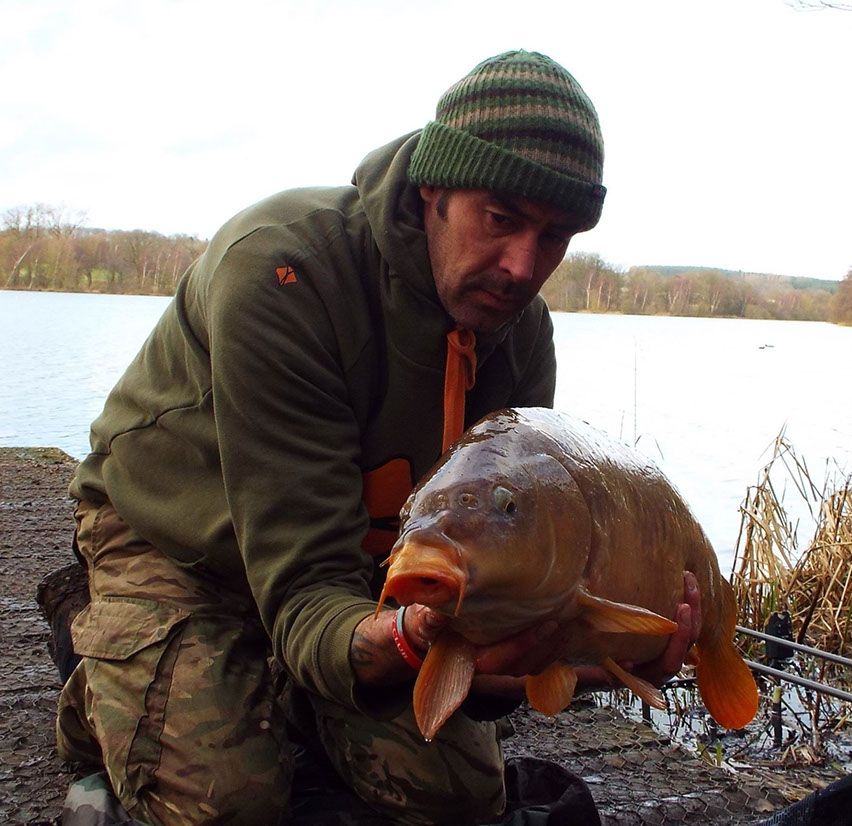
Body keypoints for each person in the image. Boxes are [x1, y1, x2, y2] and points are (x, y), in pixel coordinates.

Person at [54, 49, 701, 826]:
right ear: (434, 186)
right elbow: (302, 590)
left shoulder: (520, 333)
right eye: (501, 220)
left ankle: (287, 692)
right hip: (179, 541)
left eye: (556, 236)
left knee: (456, 800)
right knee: (228, 807)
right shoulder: (284, 274)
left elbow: (495, 577)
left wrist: (589, 652)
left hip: (359, 565)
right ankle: (103, 675)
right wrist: (399, 638)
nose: (523, 266)